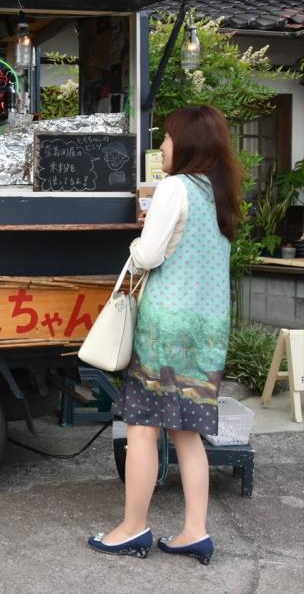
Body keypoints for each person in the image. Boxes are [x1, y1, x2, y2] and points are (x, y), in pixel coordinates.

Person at [88, 105, 243, 564]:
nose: (163, 146)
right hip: (209, 328)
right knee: (187, 433)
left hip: (167, 328)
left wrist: (136, 245)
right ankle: (195, 530)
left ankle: (132, 528)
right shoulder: (221, 194)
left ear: (189, 143)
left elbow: (150, 254)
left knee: (141, 429)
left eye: (169, 138)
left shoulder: (174, 188)